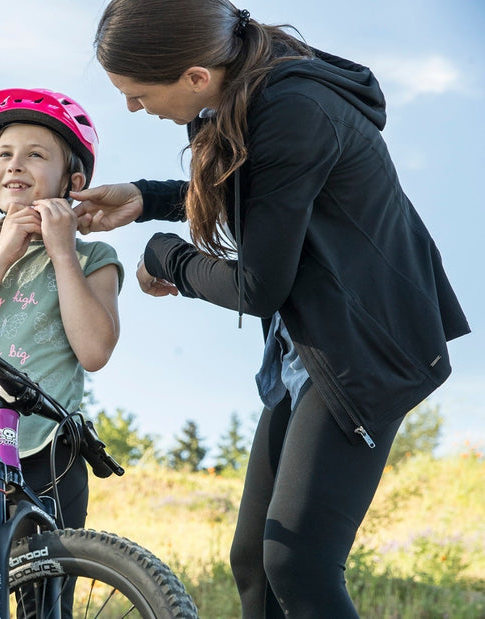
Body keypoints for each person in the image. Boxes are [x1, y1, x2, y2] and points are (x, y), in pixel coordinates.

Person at [70, 1, 470, 617]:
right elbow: (263, 201)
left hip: (364, 350)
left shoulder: (291, 109)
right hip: (309, 345)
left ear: (196, 76)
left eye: (138, 94)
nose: (132, 107)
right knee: (256, 562)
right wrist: (145, 198)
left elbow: (259, 286)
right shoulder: (251, 93)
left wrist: (166, 257)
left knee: (299, 564)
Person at [0, 88, 123, 534]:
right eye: (5, 154)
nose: (15, 164)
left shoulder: (94, 259)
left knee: (49, 598)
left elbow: (94, 351)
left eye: (36, 155)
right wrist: (1, 254)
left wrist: (62, 252)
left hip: (52, 454)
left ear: (72, 183)